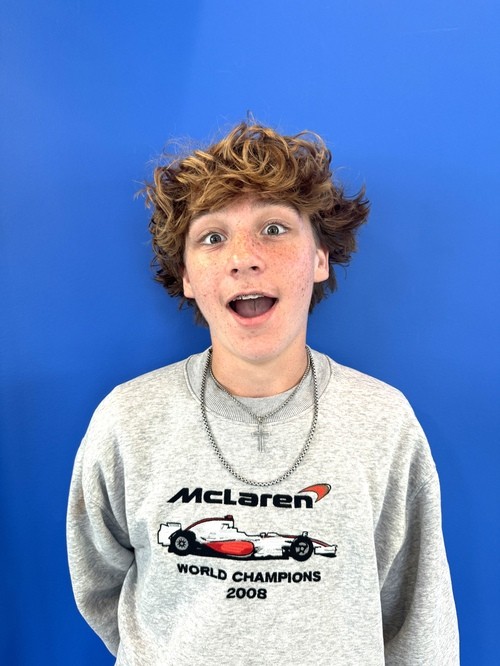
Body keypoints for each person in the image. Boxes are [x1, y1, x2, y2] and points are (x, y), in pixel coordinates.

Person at [67, 122, 459, 665]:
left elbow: (418, 620)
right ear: (186, 275)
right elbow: (99, 586)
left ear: (319, 258)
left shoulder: (383, 421)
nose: (243, 258)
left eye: (273, 229)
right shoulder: (128, 419)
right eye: (212, 237)